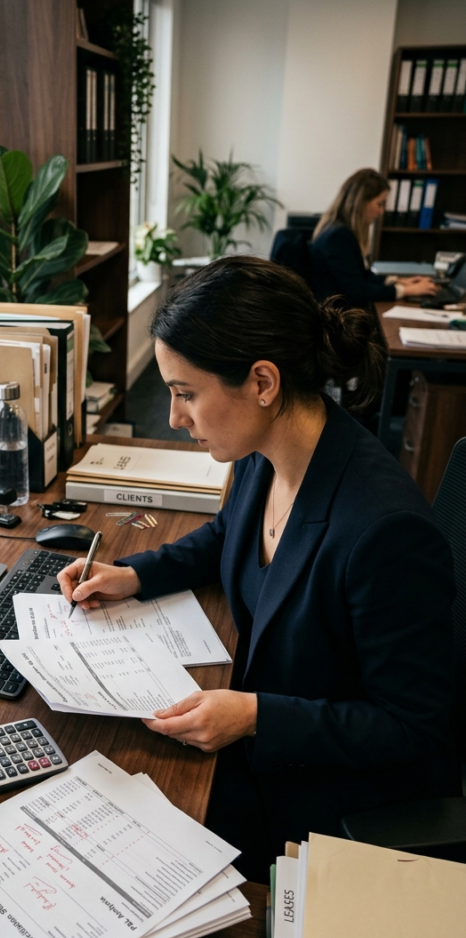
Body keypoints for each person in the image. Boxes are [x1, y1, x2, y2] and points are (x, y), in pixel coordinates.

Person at [57, 256, 459, 882]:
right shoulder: (263, 451)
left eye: (186, 393)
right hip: (256, 747)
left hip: (321, 799)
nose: (174, 417)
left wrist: (254, 716)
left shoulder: (383, 532)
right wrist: (134, 575)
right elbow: (228, 535)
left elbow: (416, 731)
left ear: (262, 382)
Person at [310, 168, 438, 308]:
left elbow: (362, 277)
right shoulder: (337, 237)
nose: (381, 211)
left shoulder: (339, 230)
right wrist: (407, 291)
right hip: (338, 317)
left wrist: (397, 281)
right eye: (379, 204)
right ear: (361, 202)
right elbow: (357, 291)